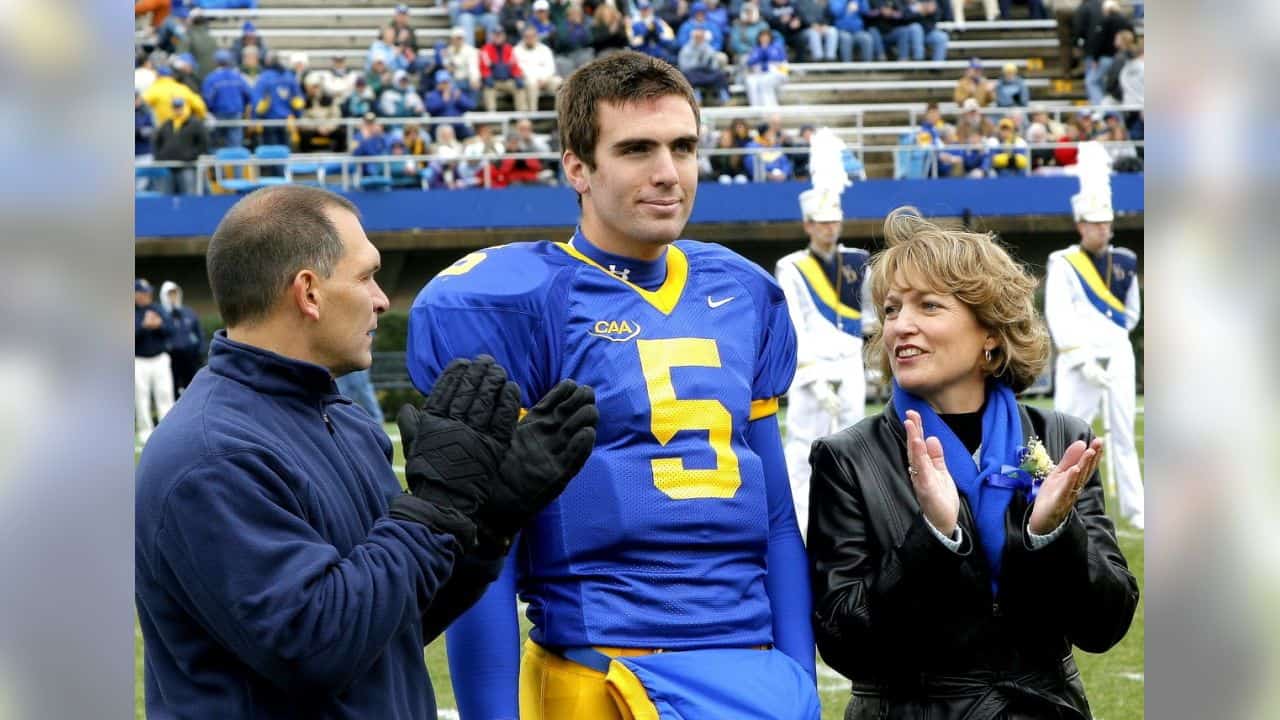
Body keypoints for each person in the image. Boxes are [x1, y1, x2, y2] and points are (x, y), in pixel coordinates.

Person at [407, 51, 819, 719]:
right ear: (577, 167)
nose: (668, 173)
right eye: (636, 149)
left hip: (748, 669)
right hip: (599, 668)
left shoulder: (742, 290)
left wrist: (797, 673)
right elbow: (489, 542)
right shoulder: (523, 299)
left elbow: (774, 520)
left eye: (683, 147)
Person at [135, 185, 599, 718]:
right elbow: (318, 645)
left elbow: (391, 622)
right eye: (365, 276)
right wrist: (436, 507)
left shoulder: (341, 419)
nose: (381, 298)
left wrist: (488, 520)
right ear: (308, 293)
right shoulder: (212, 455)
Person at [808, 208, 1139, 719]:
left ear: (990, 332)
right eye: (892, 309)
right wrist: (932, 539)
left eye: (929, 306)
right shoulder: (849, 457)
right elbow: (846, 645)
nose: (901, 326)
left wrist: (1054, 533)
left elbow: (1104, 625)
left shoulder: (1060, 438)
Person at [774, 187, 873, 537]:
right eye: (822, 222)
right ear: (808, 226)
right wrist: (811, 375)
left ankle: (850, 521)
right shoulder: (793, 266)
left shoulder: (859, 261)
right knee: (803, 447)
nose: (830, 228)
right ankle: (797, 526)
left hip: (849, 364)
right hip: (812, 368)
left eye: (834, 221)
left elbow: (871, 317)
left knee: (854, 442)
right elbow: (794, 325)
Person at [1045, 186, 1144, 529]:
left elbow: (1131, 313)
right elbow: (1057, 313)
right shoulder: (1064, 262)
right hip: (1078, 362)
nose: (1102, 229)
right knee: (1067, 432)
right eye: (1094, 223)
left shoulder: (1126, 262)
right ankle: (1058, 497)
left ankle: (1135, 506)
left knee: (1124, 430)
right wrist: (1082, 356)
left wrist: (1112, 341)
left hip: (1117, 356)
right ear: (1080, 226)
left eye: (1106, 223)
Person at [135, 278, 175, 444]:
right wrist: (144, 326)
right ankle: (145, 433)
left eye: (149, 292)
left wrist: (158, 325)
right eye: (144, 292)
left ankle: (168, 431)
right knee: (141, 397)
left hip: (159, 359)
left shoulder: (157, 309)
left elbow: (171, 330)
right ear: (135, 295)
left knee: (165, 395)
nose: (148, 295)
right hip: (139, 360)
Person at [159, 281, 204, 396]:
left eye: (175, 294)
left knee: (192, 386)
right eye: (169, 294)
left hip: (189, 356)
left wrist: (200, 350)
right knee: (172, 388)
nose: (173, 297)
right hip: (170, 357)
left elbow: (198, 332)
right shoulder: (159, 313)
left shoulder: (188, 312)